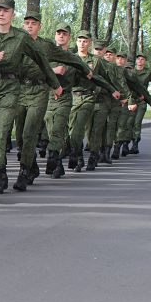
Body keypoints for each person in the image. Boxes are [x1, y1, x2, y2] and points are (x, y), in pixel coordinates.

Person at [0, 0, 63, 196]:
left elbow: (42, 60)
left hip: (11, 89)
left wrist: (55, 85)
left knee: (1, 134)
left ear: (13, 14)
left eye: (6, 10)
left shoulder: (22, 38)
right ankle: (3, 175)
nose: (1, 13)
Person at [13, 13, 91, 191]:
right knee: (20, 137)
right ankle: (33, 166)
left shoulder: (46, 46)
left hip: (46, 93)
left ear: (39, 26)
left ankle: (28, 170)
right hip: (22, 91)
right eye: (26, 23)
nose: (29, 26)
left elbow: (72, 61)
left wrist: (86, 69)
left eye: (33, 23)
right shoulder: (16, 42)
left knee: (32, 133)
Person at [66, 32, 119, 173]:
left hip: (90, 98)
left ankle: (92, 157)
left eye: (85, 41)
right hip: (73, 98)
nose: (82, 44)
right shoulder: (70, 58)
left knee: (93, 130)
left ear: (89, 43)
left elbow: (103, 78)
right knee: (75, 131)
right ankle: (79, 156)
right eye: (79, 41)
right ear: (76, 42)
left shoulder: (96, 61)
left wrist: (111, 90)